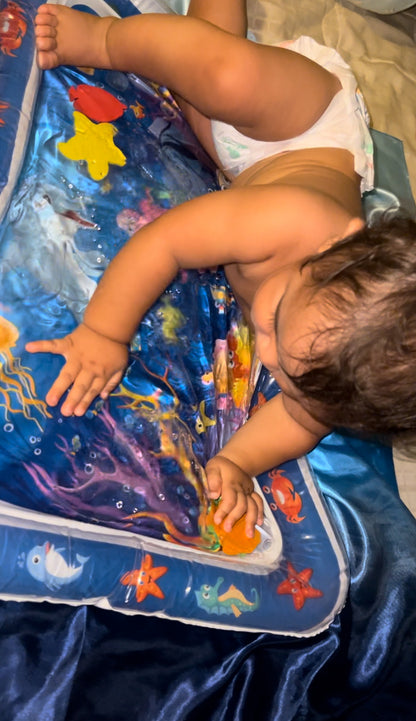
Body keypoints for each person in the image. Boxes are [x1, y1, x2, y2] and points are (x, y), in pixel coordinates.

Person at [28, 1, 416, 537]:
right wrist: (103, 332)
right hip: (299, 121)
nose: (266, 348)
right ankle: (105, 38)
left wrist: (237, 464)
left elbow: (299, 421)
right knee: (224, 75)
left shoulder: (342, 375)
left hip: (241, 164)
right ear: (338, 248)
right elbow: (166, 242)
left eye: (284, 374)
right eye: (276, 318)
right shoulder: (290, 221)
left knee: (191, 84)